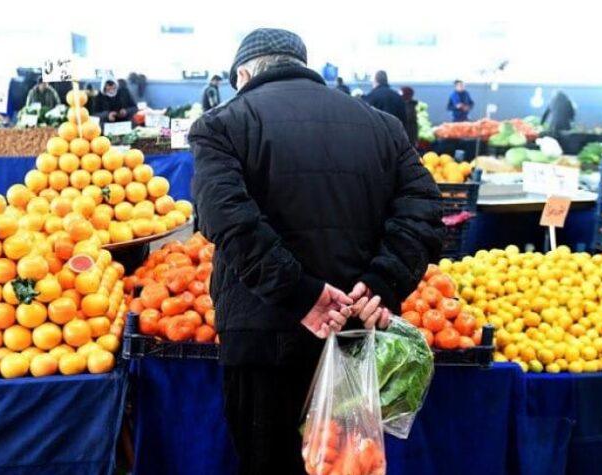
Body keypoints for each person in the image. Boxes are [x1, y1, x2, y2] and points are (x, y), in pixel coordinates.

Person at [189, 28, 443, 475]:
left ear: (244, 73)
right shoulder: (381, 126)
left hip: (263, 339)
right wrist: (382, 283)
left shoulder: (222, 123)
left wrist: (300, 293)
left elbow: (226, 217)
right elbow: (423, 210)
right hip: (356, 338)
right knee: (345, 463)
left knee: (268, 460)